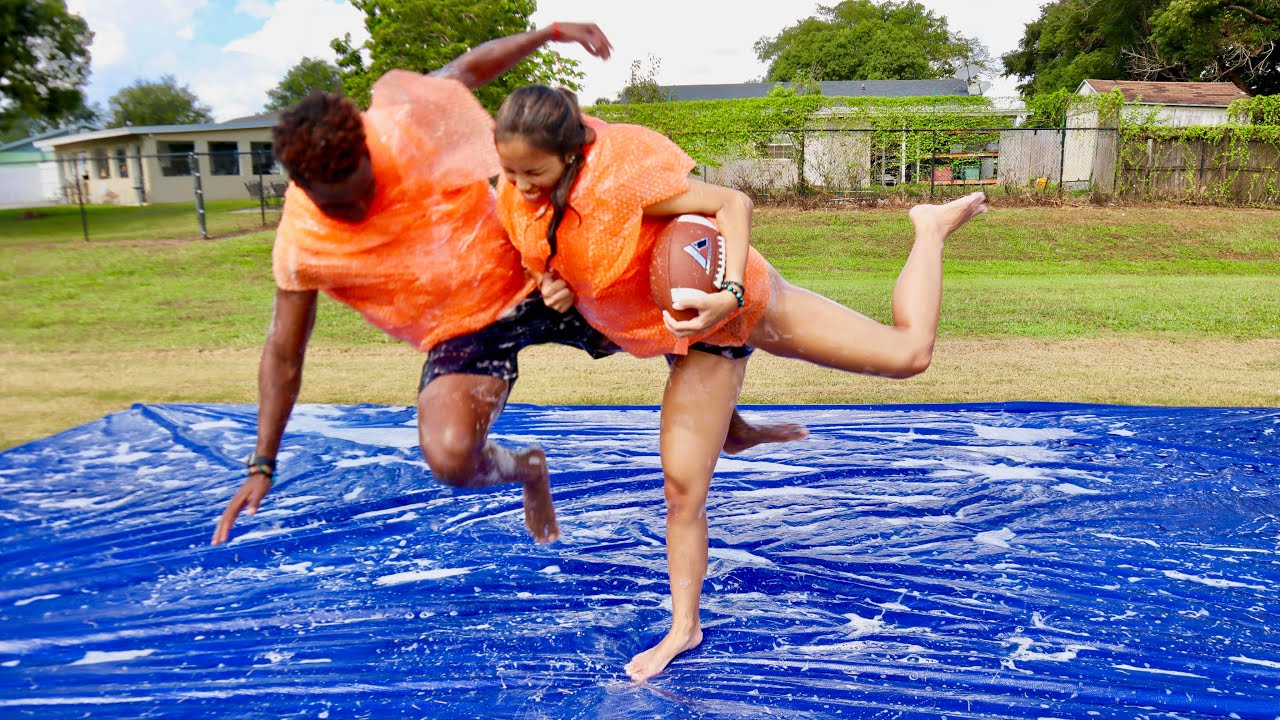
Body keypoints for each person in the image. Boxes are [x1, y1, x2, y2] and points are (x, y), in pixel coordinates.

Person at [211, 25, 800, 548]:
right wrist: (262, 463)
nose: (365, 205)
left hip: (541, 272)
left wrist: (544, 36)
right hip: (465, 329)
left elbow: (468, 69)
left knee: (671, 292)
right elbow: (284, 354)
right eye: (344, 206)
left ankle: (730, 422)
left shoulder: (396, 129)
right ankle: (530, 469)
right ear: (305, 190)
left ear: (367, 149)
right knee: (449, 457)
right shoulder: (302, 243)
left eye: (366, 187)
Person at [492, 85, 989, 681]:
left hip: (737, 306)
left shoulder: (620, 186)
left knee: (909, 354)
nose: (520, 186)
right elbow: (560, 255)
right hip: (681, 336)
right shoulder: (521, 196)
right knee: (688, 475)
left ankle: (928, 228)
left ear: (570, 156)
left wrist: (723, 292)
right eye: (510, 170)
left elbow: (734, 202)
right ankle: (686, 619)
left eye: (534, 172)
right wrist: (558, 288)